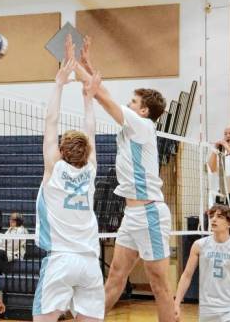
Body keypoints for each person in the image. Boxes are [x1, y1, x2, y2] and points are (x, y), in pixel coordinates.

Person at [76, 36, 172, 321]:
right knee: (115, 276)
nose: (128, 105)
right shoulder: (132, 127)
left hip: (151, 213)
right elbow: (101, 91)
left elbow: (103, 97)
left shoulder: (142, 125)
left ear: (144, 111)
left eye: (133, 102)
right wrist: (86, 65)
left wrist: (74, 68)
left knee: (159, 285)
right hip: (132, 214)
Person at [33, 51, 104, 322]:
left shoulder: (54, 167)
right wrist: (88, 100)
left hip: (60, 260)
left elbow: (50, 121)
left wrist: (59, 83)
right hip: (89, 261)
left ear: (62, 149)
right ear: (86, 151)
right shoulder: (92, 169)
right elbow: (92, 130)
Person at [174, 204, 230, 322]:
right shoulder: (199, 245)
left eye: (219, 217)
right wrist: (176, 303)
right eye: (212, 216)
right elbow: (187, 275)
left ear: (229, 224)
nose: (213, 219)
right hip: (207, 309)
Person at [207, 125, 230, 238]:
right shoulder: (222, 153)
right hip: (224, 196)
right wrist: (215, 150)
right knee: (223, 228)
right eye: (225, 134)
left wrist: (228, 148)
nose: (227, 136)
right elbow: (211, 168)